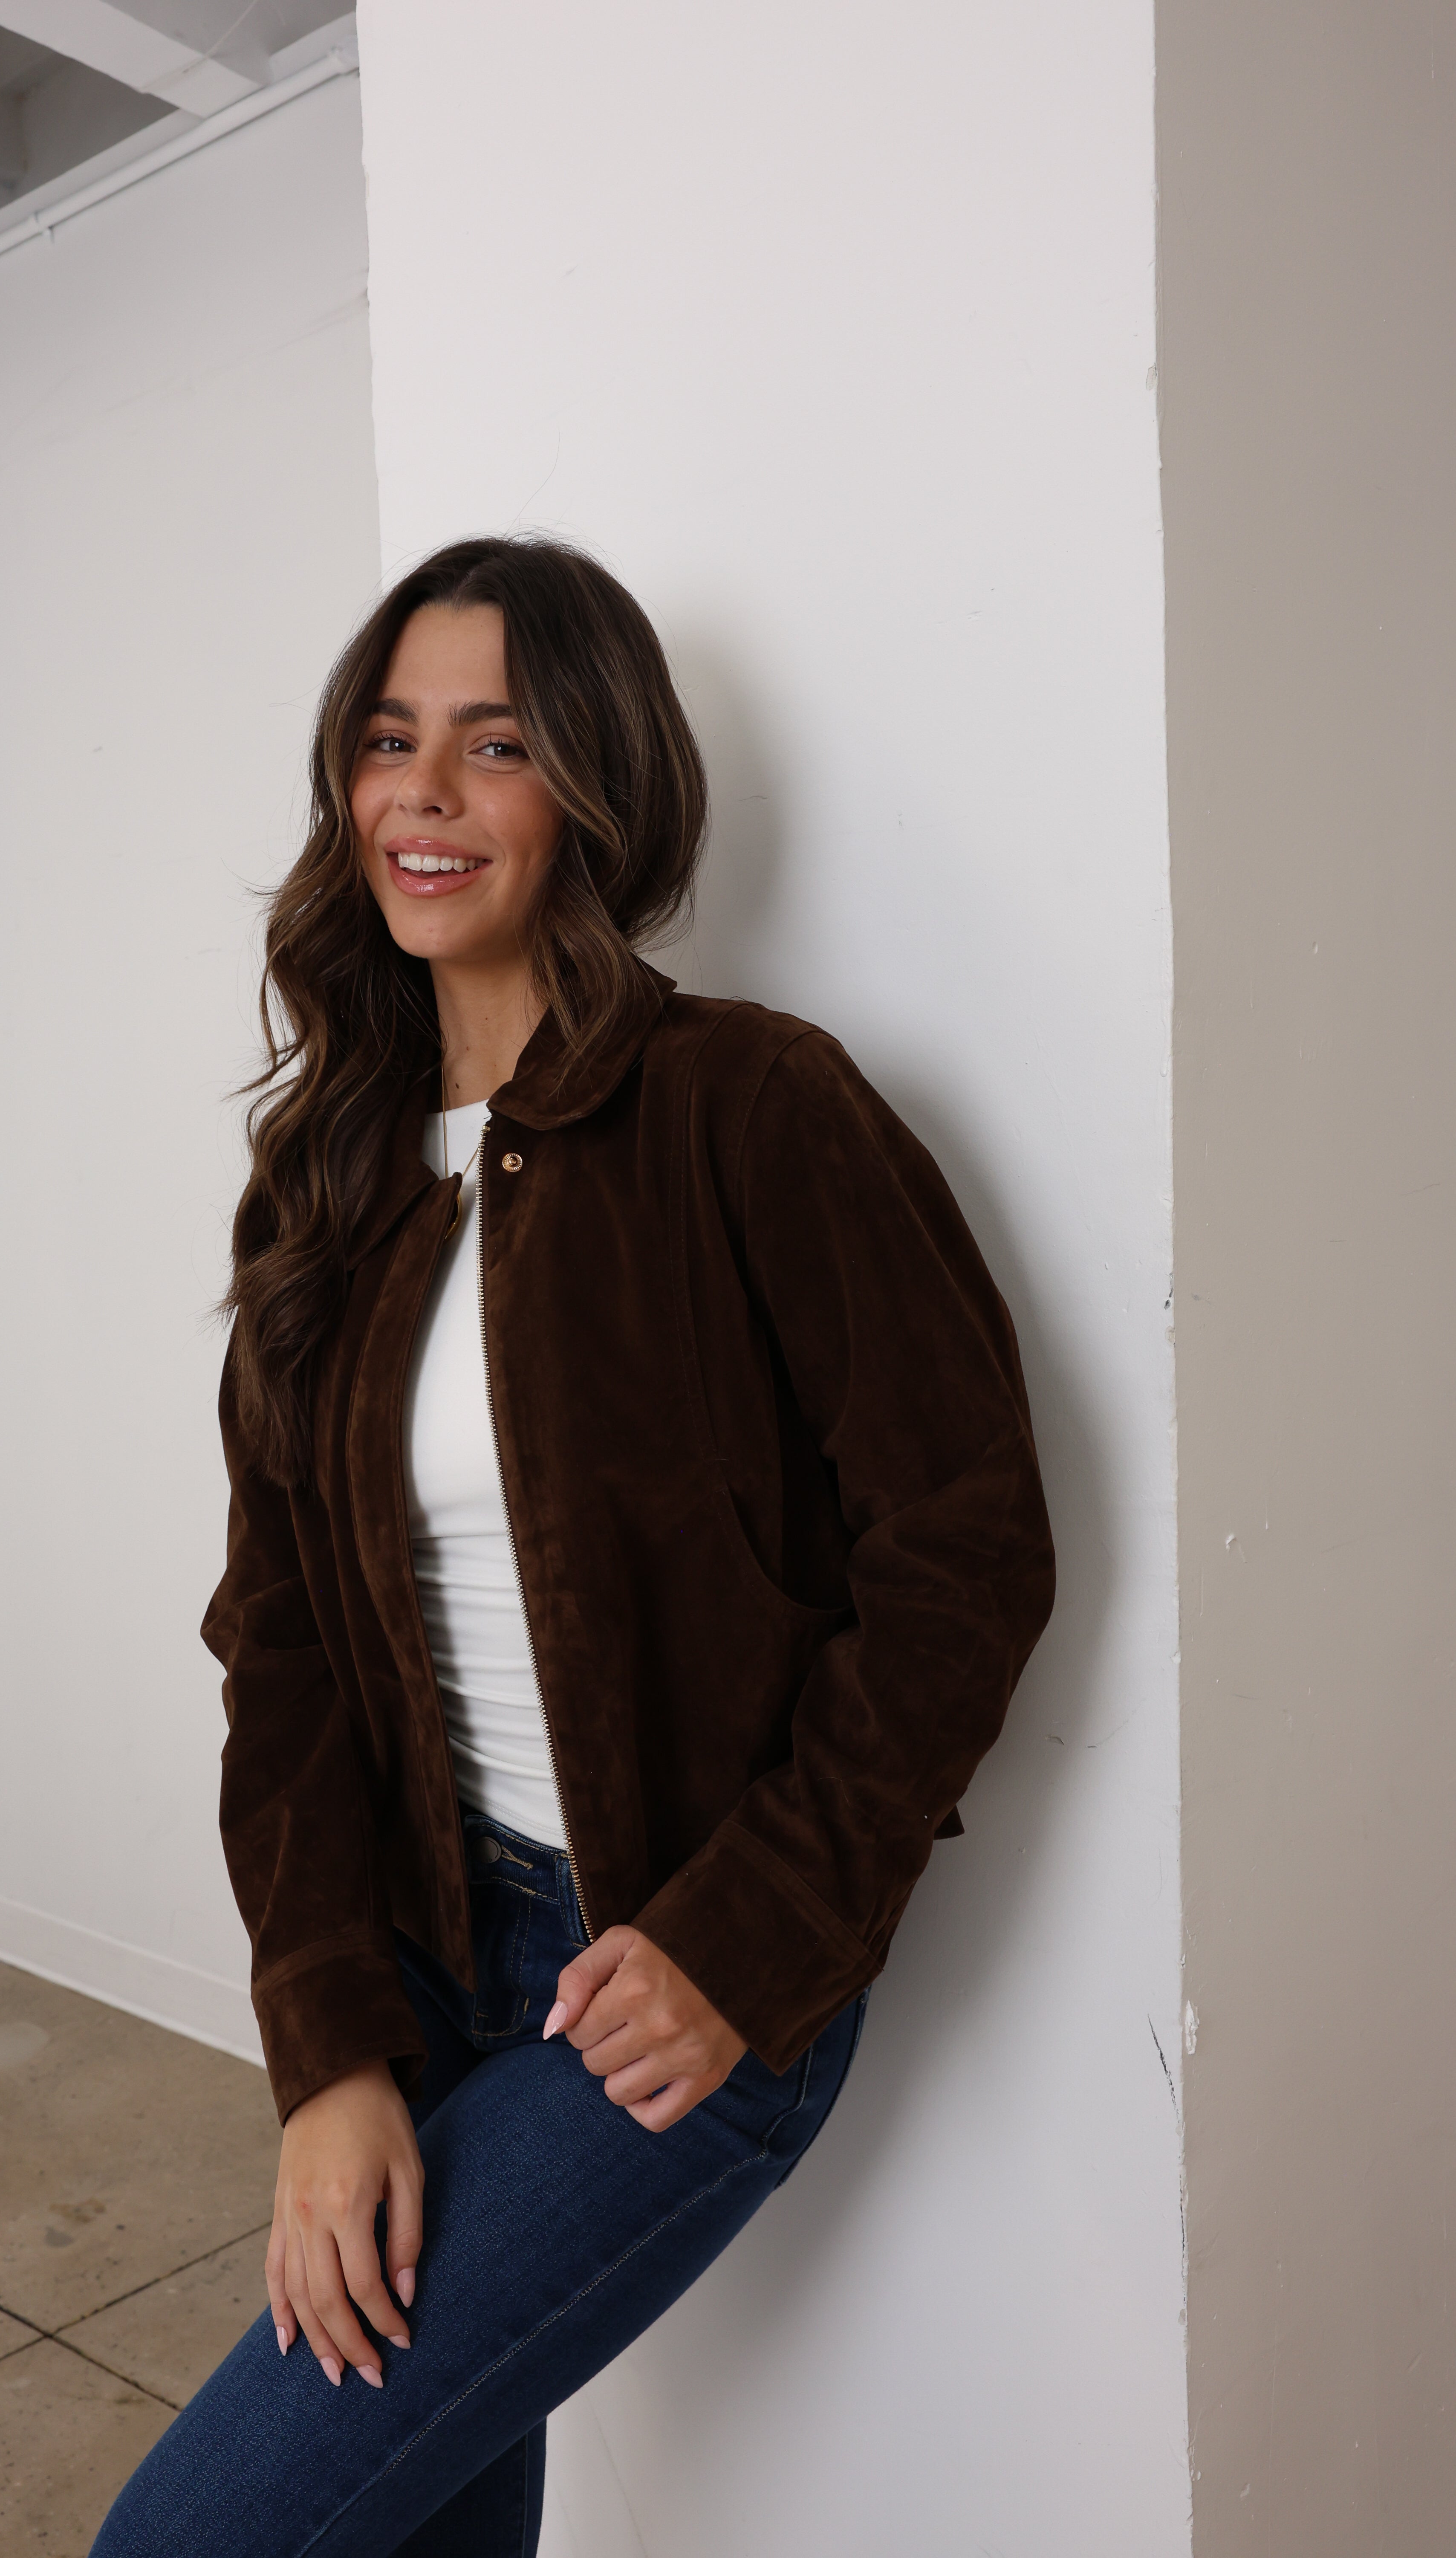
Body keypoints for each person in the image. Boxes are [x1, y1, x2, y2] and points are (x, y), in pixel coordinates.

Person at [92, 536, 1055, 2557]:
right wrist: (328, 2050)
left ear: (597, 786)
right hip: (413, 1947)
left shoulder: (751, 1109)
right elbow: (277, 1655)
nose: (421, 796)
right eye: (387, 742)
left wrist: (752, 1933)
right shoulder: (327, 1181)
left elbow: (962, 1549)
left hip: (668, 1984)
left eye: (495, 744)